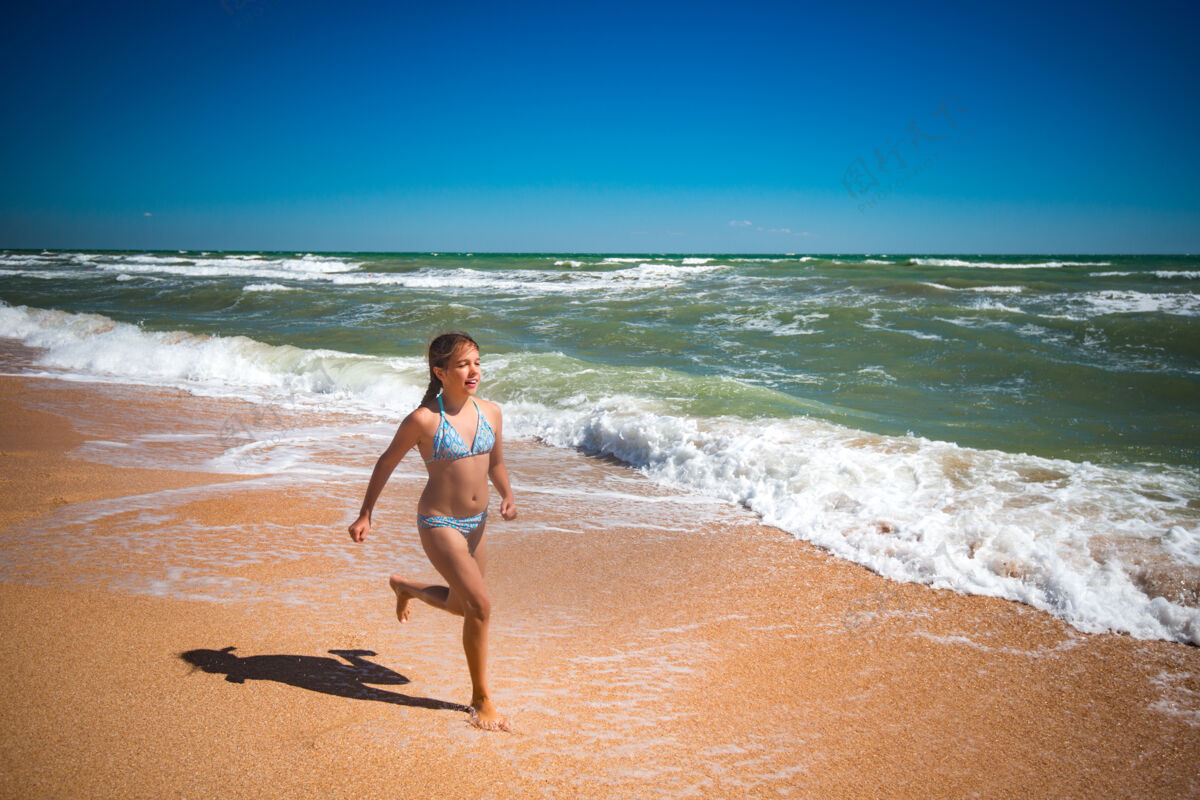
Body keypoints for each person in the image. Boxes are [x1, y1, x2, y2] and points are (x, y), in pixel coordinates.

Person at [348, 331, 517, 731]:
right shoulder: (424, 419)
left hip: (478, 524)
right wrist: (365, 514)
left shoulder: (491, 411)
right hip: (439, 522)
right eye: (462, 364)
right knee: (481, 606)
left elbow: (495, 464)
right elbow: (386, 462)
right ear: (440, 372)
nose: (473, 370)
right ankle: (480, 698)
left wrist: (507, 494)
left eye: (476, 361)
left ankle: (406, 587)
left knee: (462, 607)